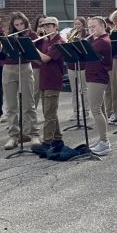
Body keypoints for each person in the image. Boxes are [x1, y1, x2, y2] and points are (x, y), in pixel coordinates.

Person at [1, 12, 40, 149]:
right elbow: (2, 53)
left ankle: (33, 134)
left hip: (24, 67)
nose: (18, 27)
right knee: (11, 105)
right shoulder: (9, 36)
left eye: (21, 24)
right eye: (16, 25)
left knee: (29, 103)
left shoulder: (31, 35)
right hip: (8, 68)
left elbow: (36, 53)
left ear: (25, 23)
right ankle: (14, 136)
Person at [34, 17, 65, 151]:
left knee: (49, 113)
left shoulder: (59, 42)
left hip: (53, 80)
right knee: (50, 111)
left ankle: (47, 142)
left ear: (55, 27)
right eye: (44, 26)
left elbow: (46, 58)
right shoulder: (46, 41)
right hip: (44, 79)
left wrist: (33, 48)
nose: (46, 28)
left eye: (49, 26)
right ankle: (58, 139)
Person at [85, 16, 113, 156]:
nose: (91, 30)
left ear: (102, 26)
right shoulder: (96, 40)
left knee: (95, 110)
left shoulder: (102, 42)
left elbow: (87, 53)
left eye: (94, 27)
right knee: (100, 109)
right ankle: (103, 139)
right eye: (89, 27)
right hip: (93, 77)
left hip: (97, 78)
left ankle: (105, 141)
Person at [66, 16, 89, 123]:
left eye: (79, 24)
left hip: (83, 65)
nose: (77, 26)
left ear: (83, 25)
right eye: (75, 24)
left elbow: (86, 48)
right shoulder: (71, 33)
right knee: (74, 90)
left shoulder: (87, 35)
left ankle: (86, 111)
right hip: (72, 65)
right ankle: (76, 112)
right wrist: (68, 40)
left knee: (84, 89)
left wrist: (79, 40)